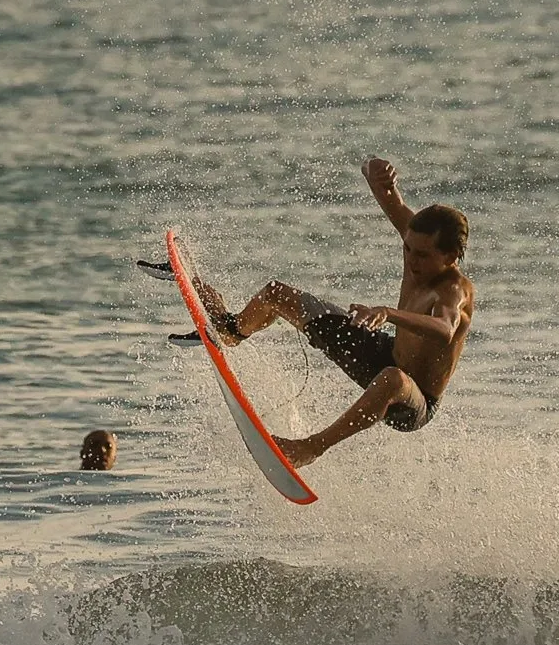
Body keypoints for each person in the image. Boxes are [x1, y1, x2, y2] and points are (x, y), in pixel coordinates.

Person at [190, 158, 475, 468]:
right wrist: (377, 172)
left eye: (422, 255)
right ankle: (234, 330)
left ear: (450, 256)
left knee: (393, 378)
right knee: (276, 293)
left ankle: (311, 447)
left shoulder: (454, 290)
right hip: (383, 355)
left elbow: (445, 328)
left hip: (412, 400)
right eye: (407, 249)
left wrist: (388, 314)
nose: (411, 260)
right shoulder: (417, 239)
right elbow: (379, 186)